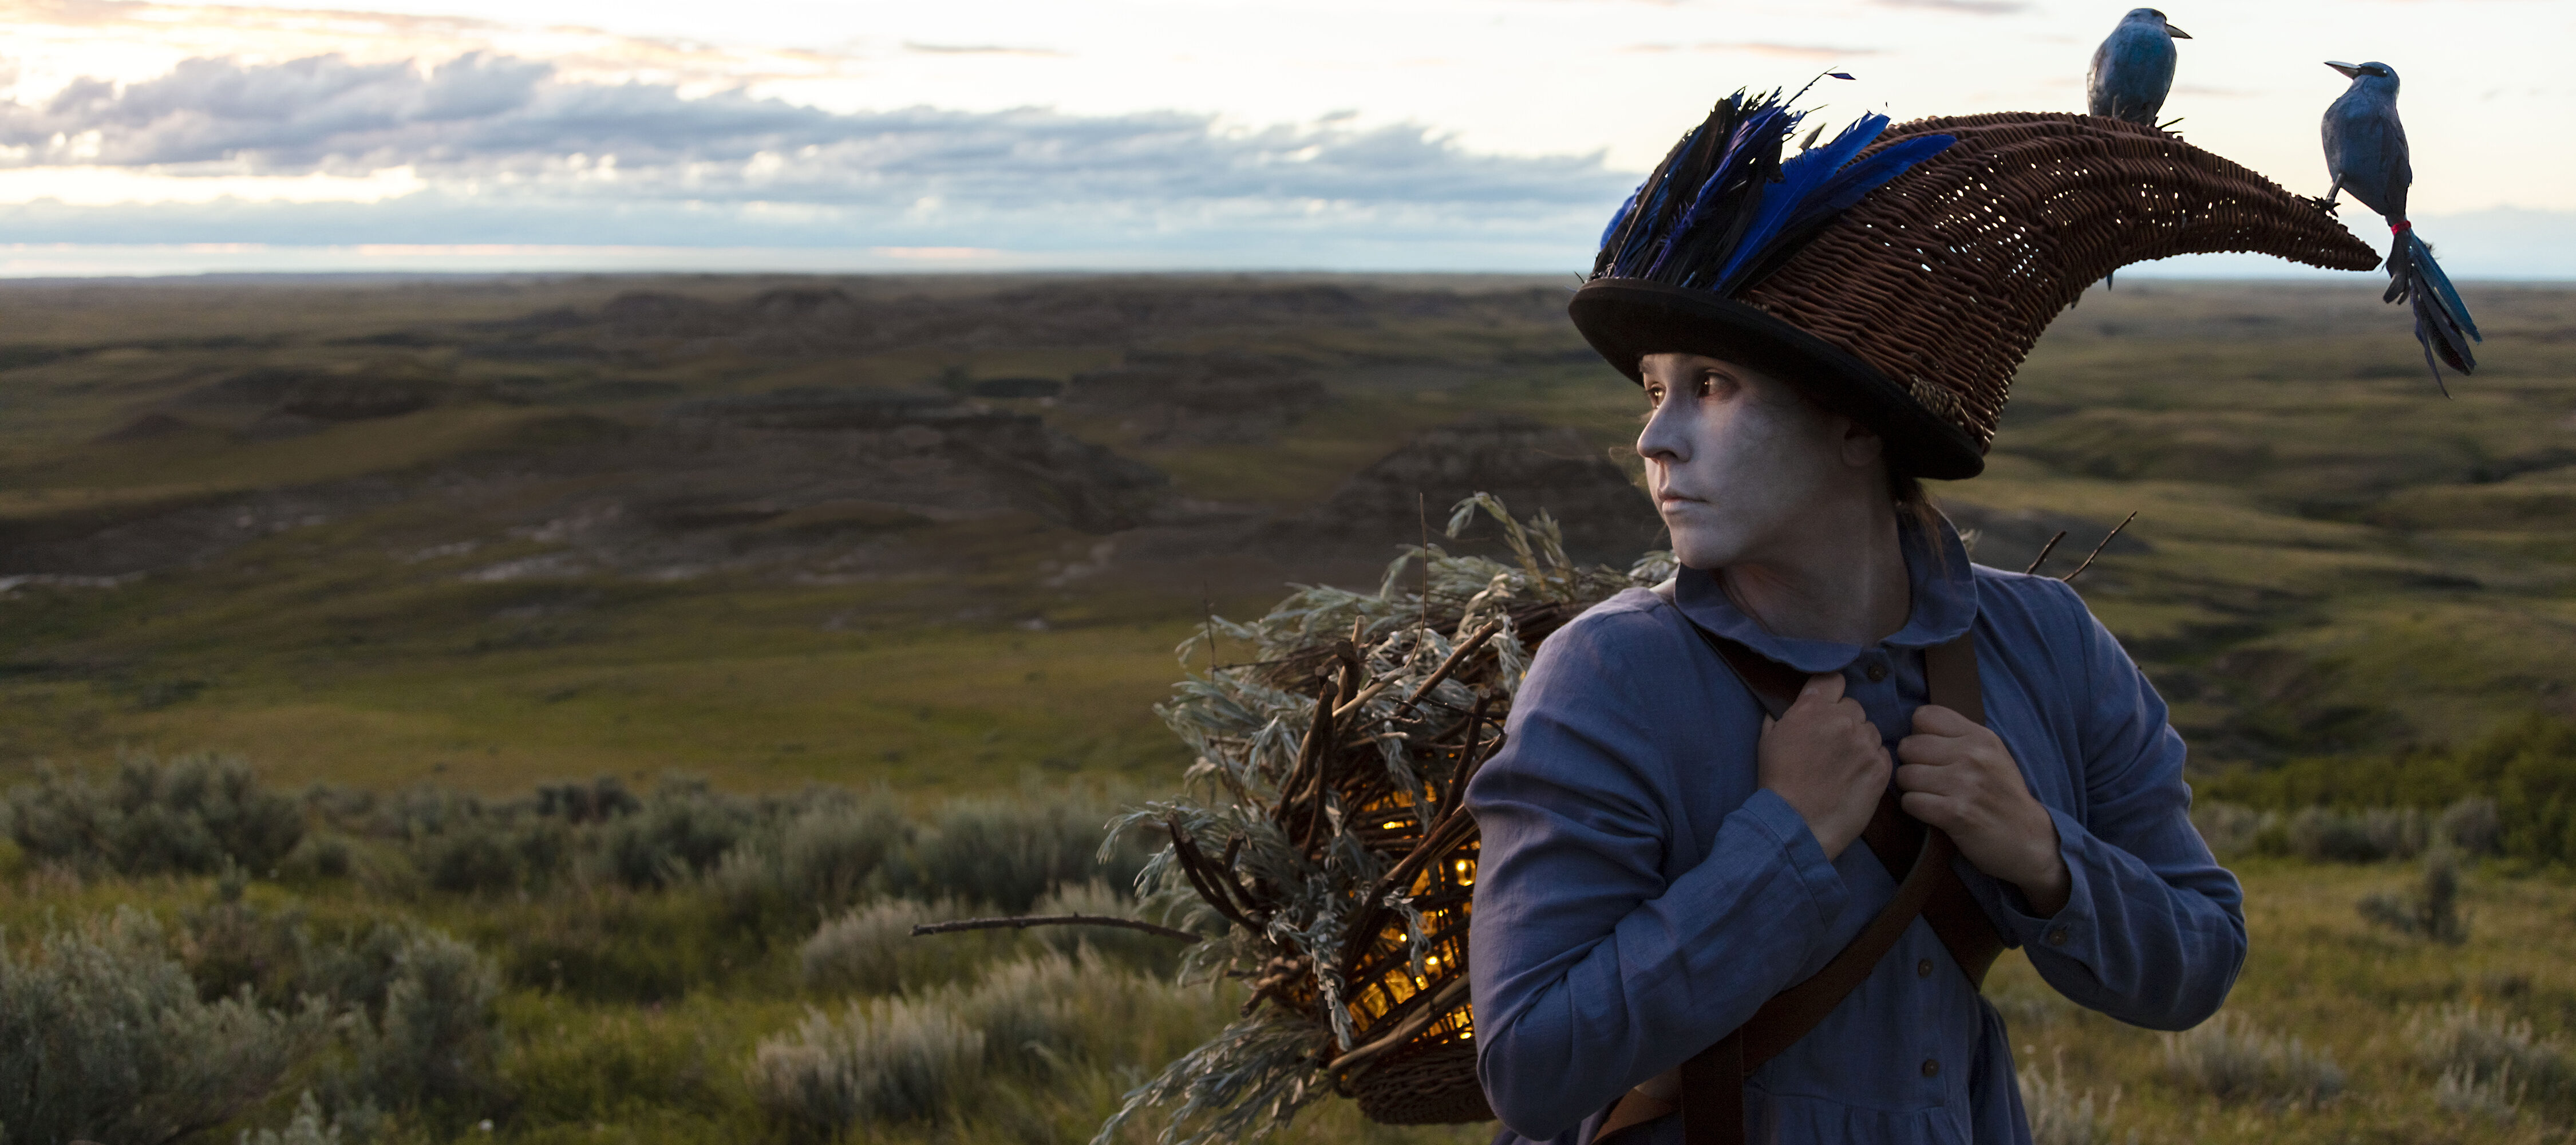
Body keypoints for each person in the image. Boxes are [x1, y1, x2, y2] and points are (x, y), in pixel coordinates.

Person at [1463, 94, 2382, 1145]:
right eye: (1653, 391)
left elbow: (2199, 961)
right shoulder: (1612, 674)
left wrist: (2040, 850)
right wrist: (1786, 843)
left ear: (1857, 418)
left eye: (1709, 386)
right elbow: (1530, 1066)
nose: (1654, 440)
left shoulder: (2049, 646)